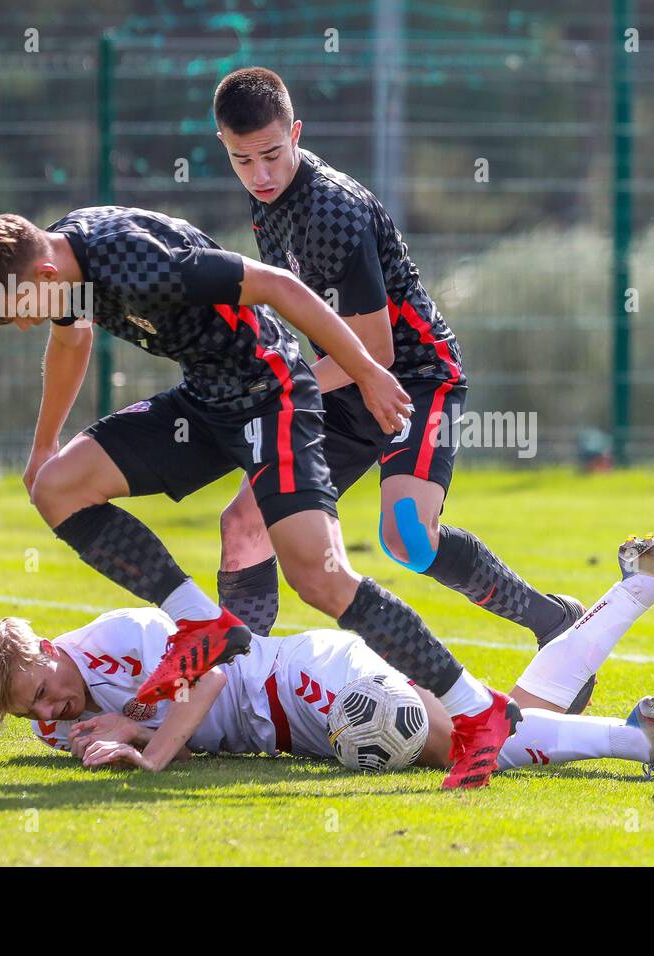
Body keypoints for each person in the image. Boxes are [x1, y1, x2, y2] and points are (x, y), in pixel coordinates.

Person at [0, 206, 515, 788]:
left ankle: (477, 709)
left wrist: (367, 371)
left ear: (42, 276)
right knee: (56, 487)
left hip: (272, 396)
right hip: (206, 401)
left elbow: (279, 286)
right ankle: (201, 623)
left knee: (321, 580)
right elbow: (73, 339)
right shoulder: (66, 264)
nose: (23, 326)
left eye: (18, 314)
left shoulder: (138, 263)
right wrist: (43, 446)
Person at [208, 67, 593, 713]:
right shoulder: (264, 198)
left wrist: (279, 389)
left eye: (273, 154)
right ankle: (236, 690)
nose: (260, 173)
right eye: (242, 159)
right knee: (244, 522)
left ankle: (553, 621)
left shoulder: (332, 209)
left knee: (408, 537)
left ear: (296, 133)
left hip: (413, 378)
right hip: (342, 382)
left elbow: (377, 353)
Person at [0, 530, 654, 780]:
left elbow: (215, 668)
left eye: (45, 688)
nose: (51, 712)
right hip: (294, 724)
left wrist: (146, 749)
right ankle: (640, 589)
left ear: (51, 649)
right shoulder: (56, 728)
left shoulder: (116, 637)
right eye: (32, 712)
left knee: (475, 742)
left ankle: (642, 738)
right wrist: (113, 734)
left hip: (307, 678)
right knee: (500, 722)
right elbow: (113, 729)